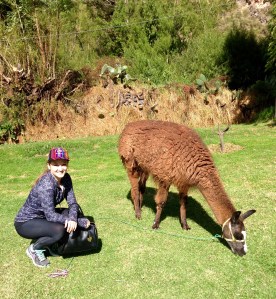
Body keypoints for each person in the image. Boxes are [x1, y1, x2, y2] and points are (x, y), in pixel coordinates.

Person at [14, 147, 90, 268]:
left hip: (43, 217)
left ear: (67, 165)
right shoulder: (47, 185)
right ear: (49, 165)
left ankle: (49, 244)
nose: (60, 168)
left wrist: (74, 219)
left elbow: (73, 203)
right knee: (59, 230)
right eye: (55, 165)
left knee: (69, 213)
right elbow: (50, 215)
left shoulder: (66, 178)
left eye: (63, 164)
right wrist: (75, 222)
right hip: (26, 223)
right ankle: (35, 249)